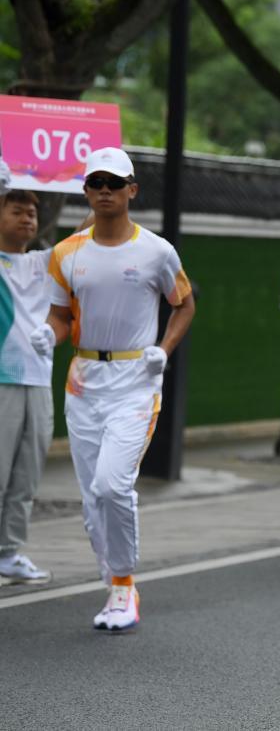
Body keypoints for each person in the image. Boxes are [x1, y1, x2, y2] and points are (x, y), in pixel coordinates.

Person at [31, 147, 196, 630]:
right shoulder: (67, 253)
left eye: (114, 183)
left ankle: (123, 585)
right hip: (84, 381)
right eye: (96, 183)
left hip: (135, 380)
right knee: (92, 499)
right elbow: (61, 316)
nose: (105, 191)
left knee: (112, 485)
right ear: (86, 191)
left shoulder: (156, 252)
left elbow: (184, 304)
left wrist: (163, 349)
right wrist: (48, 334)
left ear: (131, 190)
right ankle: (114, 586)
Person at [0, 179, 54, 586]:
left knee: (26, 475)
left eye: (32, 213)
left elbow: (92, 230)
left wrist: (97, 185)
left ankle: (8, 553)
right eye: (16, 211)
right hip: (2, 379)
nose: (26, 218)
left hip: (39, 380)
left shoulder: (44, 263)